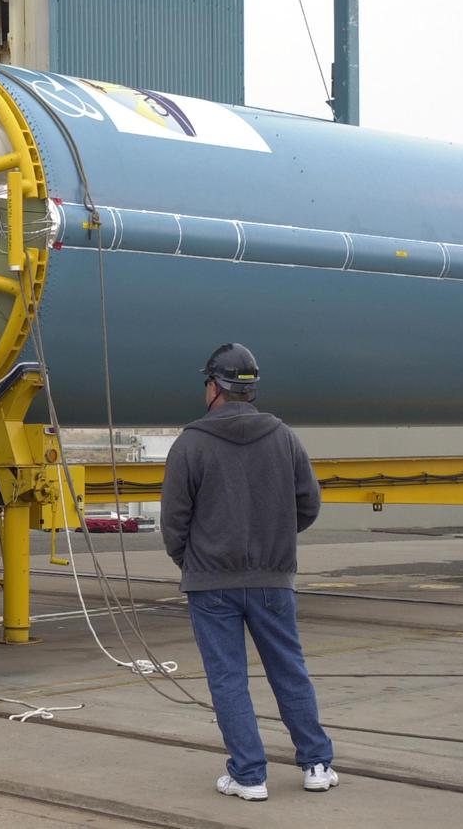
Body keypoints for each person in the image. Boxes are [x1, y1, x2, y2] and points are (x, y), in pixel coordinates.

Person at [160, 343, 335, 802]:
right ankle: (316, 763)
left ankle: (249, 775)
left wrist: (194, 561)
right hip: (273, 579)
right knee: (289, 670)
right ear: (250, 389)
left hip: (210, 584)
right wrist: (274, 538)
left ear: (214, 387)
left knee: (228, 679)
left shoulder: (190, 443)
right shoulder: (284, 438)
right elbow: (309, 505)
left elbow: (173, 523)